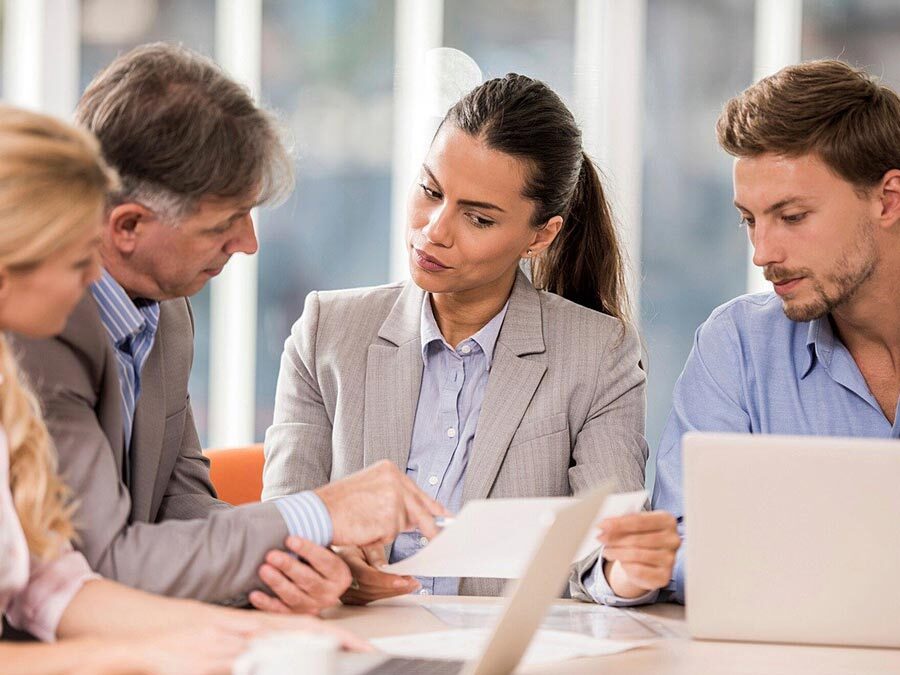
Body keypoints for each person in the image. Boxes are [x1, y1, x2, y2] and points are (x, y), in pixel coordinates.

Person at [12, 42, 445, 618]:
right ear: (128, 227)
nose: (248, 244)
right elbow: (102, 561)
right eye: (223, 224)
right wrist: (318, 513)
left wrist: (296, 560)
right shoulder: (33, 332)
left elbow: (178, 499)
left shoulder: (167, 310)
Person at [262, 73, 679, 604]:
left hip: (507, 644)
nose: (435, 230)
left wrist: (630, 572)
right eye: (430, 191)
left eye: (478, 218)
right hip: (358, 636)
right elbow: (283, 530)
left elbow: (603, 556)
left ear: (540, 235)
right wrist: (330, 565)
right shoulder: (327, 332)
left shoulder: (599, 354)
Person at [0, 104, 368, 674]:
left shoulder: (9, 385)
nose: (95, 279)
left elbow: (53, 589)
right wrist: (131, 655)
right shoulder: (42, 355)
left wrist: (254, 631)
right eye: (78, 261)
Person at [652, 59, 900, 604]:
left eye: (792, 217)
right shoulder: (736, 345)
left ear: (888, 199)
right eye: (750, 220)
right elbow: (680, 542)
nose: (763, 253)